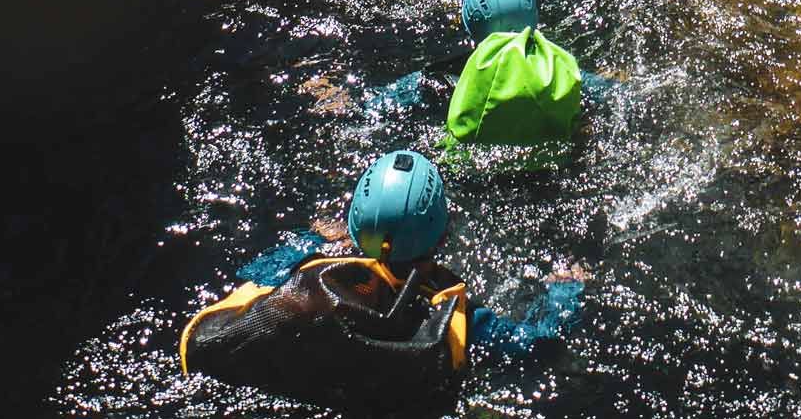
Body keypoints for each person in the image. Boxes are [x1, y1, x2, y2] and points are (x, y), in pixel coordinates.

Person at [182, 151, 587, 407]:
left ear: (354, 224)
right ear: (443, 234)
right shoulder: (456, 318)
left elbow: (252, 276)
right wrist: (565, 290)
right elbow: (536, 345)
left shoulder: (304, 270)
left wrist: (312, 240)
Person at [369, 0, 617, 143]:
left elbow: (373, 107)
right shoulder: (561, 69)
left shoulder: (435, 82)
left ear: (469, 24)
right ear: (534, 16)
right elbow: (615, 96)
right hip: (551, 169)